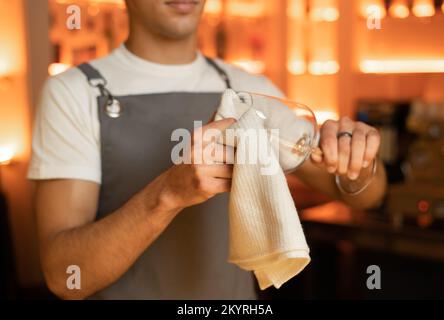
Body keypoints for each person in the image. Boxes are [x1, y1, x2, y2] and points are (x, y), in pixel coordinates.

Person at [28, 0, 387, 300]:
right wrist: (167, 194)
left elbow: (363, 195)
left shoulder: (249, 88)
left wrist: (358, 156)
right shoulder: (74, 93)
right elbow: (64, 275)